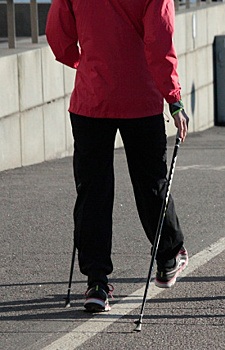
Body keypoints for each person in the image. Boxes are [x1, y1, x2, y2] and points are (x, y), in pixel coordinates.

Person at [46, 0, 190, 312]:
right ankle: (167, 256)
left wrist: (85, 63)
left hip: (91, 98)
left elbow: (58, 36)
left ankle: (97, 282)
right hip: (141, 99)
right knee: (151, 181)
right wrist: (174, 98)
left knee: (93, 190)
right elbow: (159, 41)